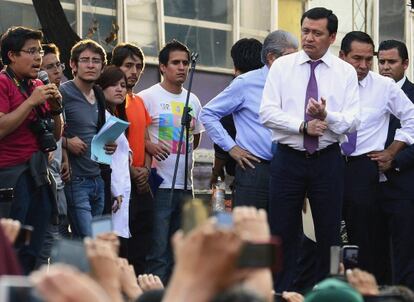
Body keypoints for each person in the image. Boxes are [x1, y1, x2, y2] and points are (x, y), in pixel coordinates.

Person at [259, 7, 360, 291]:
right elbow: (266, 113)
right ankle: (278, 291)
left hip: (327, 160)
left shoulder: (345, 73)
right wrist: (302, 126)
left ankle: (329, 291)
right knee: (281, 230)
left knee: (329, 233)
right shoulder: (282, 66)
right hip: (288, 158)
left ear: (331, 37)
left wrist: (327, 117)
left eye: (317, 33)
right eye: (305, 31)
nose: (308, 38)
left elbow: (353, 122)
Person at [338, 32, 414, 285]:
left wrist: (393, 153)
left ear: (405, 63)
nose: (364, 65)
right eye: (356, 59)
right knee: (328, 237)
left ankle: (373, 290)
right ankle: (330, 287)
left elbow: (411, 120)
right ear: (342, 56)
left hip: (374, 174)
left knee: (370, 243)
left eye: (368, 59)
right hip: (328, 166)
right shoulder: (327, 82)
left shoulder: (384, 88)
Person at [200, 30, 298, 210]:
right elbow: (207, 114)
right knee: (251, 233)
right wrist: (232, 148)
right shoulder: (246, 83)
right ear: (271, 58)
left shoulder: (296, 84)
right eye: (290, 58)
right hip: (255, 169)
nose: (296, 64)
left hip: (288, 169)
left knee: (286, 233)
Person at [139, 39, 204, 283]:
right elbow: (136, 137)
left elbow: (195, 140)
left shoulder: (194, 100)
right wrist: (150, 146)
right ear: (163, 67)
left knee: (182, 251)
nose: (182, 68)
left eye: (185, 63)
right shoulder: (147, 97)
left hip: (186, 186)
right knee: (158, 250)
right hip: (160, 184)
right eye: (175, 63)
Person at [0, 26, 63, 273]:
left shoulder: (37, 83)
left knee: (34, 249)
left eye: (39, 51)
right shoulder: (3, 82)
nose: (38, 57)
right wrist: (31, 102)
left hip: (39, 175)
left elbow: (55, 136)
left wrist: (56, 108)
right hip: (12, 178)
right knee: (11, 247)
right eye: (31, 51)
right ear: (12, 55)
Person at [60, 39, 116, 238]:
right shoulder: (62, 93)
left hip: (98, 180)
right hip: (76, 181)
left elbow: (98, 132)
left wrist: (109, 144)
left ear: (102, 66)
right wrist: (67, 142)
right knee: (87, 239)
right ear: (73, 65)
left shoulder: (99, 94)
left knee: (100, 242)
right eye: (85, 60)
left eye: (96, 60)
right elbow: (46, 132)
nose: (91, 65)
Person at [111, 43, 153, 275]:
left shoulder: (138, 102)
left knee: (143, 244)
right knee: (121, 247)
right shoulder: (112, 101)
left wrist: (145, 170)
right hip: (120, 183)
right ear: (115, 67)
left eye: (138, 66)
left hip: (141, 181)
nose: (134, 71)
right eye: (128, 65)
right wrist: (132, 172)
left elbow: (145, 140)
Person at [376, 39, 414, 289]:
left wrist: (395, 161)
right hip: (369, 186)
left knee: (403, 255)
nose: (386, 67)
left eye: (392, 62)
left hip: (404, 187)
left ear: (406, 64)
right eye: (381, 62)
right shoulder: (370, 92)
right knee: (374, 252)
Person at [210, 38, 264, 189]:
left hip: (247, 171)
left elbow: (224, 128)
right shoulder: (273, 87)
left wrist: (216, 171)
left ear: (235, 66)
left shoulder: (238, 87)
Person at [36, 43, 70, 266]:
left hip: (59, 177)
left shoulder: (57, 97)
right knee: (46, 242)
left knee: (60, 237)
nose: (57, 71)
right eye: (50, 66)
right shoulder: (35, 96)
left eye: (58, 64)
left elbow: (58, 135)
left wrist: (65, 155)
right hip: (42, 179)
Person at [96, 65, 131, 256]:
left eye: (123, 85)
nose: (120, 89)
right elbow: (101, 158)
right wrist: (113, 190)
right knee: (107, 250)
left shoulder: (114, 117)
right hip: (110, 193)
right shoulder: (104, 119)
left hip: (119, 193)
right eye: (114, 85)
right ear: (101, 88)